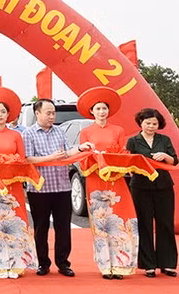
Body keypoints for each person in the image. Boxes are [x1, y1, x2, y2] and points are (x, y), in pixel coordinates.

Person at [24, 99, 93, 277]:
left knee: (63, 228)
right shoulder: (29, 134)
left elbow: (67, 153)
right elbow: (27, 159)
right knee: (41, 227)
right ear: (37, 113)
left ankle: (63, 263)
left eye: (53, 113)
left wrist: (80, 148)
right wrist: (51, 157)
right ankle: (43, 263)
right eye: (48, 113)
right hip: (39, 189)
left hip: (62, 187)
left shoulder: (60, 132)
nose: (51, 116)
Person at [76, 87, 138, 279]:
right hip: (95, 181)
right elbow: (83, 158)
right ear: (92, 112)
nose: (102, 112)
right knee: (101, 223)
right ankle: (105, 266)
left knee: (120, 222)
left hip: (116, 181)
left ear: (108, 111)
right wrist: (95, 158)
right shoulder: (86, 132)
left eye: (104, 108)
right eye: (98, 109)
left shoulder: (118, 130)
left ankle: (120, 265)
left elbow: (123, 155)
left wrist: (111, 161)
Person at [0, 88, 38, 279]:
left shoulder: (16, 135)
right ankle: (1, 263)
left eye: (3, 112)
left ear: (9, 114)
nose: (0, 115)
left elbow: (21, 159)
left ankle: (17, 262)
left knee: (16, 222)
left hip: (14, 184)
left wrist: (11, 169)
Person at [126, 108, 177, 278]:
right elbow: (127, 163)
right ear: (141, 123)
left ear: (159, 124)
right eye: (147, 123)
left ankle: (168, 263)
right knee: (144, 224)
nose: (151, 126)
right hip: (140, 187)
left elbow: (175, 160)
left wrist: (165, 156)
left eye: (154, 123)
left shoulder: (164, 140)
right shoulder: (133, 141)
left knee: (165, 224)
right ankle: (148, 265)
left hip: (163, 186)